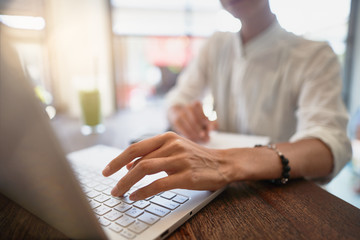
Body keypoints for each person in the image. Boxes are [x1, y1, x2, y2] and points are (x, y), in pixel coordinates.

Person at [102, 0, 352, 201]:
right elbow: (177, 98)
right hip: (220, 194)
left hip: (284, 198)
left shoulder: (314, 55)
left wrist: (224, 162)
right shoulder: (216, 44)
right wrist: (182, 115)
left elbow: (330, 146)